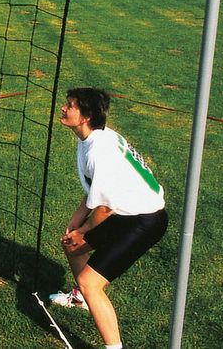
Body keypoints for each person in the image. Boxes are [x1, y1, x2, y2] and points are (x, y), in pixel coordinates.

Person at [49, 88, 167, 349]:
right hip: (124, 211)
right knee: (71, 245)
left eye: (70, 106)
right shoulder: (91, 139)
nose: (64, 108)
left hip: (144, 220)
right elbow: (96, 191)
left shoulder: (99, 150)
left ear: (85, 117)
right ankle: (79, 299)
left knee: (90, 282)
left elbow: (104, 209)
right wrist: (76, 222)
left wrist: (83, 230)